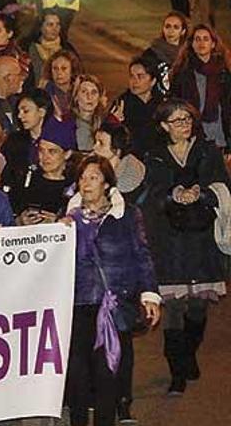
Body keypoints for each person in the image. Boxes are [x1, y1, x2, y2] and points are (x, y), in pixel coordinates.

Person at [64, 155, 161, 426]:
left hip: (113, 304)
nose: (86, 183)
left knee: (107, 374)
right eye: (82, 178)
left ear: (107, 183)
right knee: (78, 376)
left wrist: (149, 294)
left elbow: (142, 255)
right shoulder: (69, 220)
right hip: (79, 305)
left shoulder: (127, 215)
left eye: (93, 177)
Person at [142, 99, 229, 396]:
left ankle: (189, 351)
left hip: (201, 237)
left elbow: (222, 185)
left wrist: (202, 193)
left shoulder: (207, 151)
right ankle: (176, 370)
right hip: (169, 240)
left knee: (198, 306)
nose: (184, 124)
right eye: (177, 120)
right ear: (164, 126)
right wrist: (173, 194)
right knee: (174, 306)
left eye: (187, 119)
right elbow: (150, 194)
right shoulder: (154, 156)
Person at [169, 24, 231, 148]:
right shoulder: (182, 73)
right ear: (192, 44)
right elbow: (176, 104)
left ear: (213, 44)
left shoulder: (223, 73)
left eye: (205, 39)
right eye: (197, 39)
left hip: (218, 132)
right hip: (191, 133)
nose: (201, 43)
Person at [8, 116, 76, 224]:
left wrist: (57, 223)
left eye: (52, 151)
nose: (45, 157)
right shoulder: (26, 180)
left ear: (67, 154)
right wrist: (19, 221)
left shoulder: (75, 186)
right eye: (41, 150)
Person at [115, 59, 164, 157]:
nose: (134, 81)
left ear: (153, 81)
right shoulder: (122, 103)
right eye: (132, 76)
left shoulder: (162, 104)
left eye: (140, 76)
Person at [93, 123, 147, 203]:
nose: (94, 147)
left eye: (101, 143)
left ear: (117, 150)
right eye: (95, 141)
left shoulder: (128, 180)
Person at [28, 10, 77, 83]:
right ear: (41, 27)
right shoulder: (29, 49)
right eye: (50, 25)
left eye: (57, 24)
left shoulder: (68, 49)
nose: (55, 29)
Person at [40, 49, 81, 118]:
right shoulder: (44, 92)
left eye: (64, 68)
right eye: (55, 68)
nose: (59, 73)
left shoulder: (80, 91)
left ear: (72, 70)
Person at [72, 74, 108, 152]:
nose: (89, 97)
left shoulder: (102, 121)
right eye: (84, 92)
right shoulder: (69, 123)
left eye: (94, 92)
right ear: (76, 97)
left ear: (99, 97)